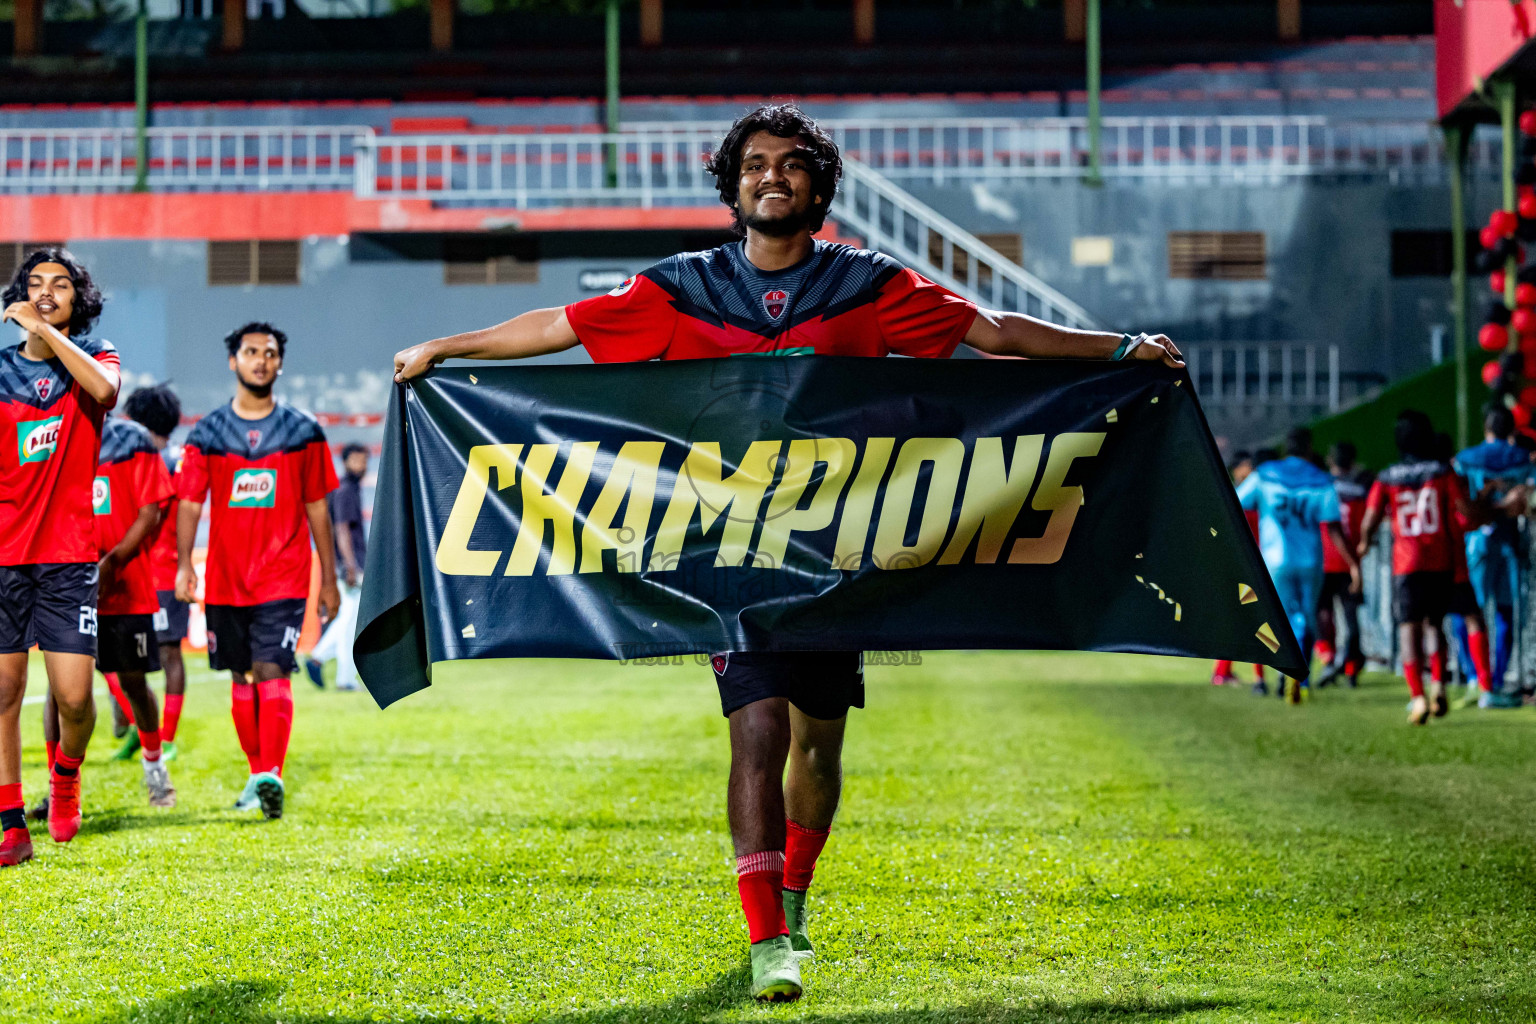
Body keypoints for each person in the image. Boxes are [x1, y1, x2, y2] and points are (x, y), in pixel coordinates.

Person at [391, 104, 1183, 1003]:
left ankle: (795, 896)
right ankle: (770, 938)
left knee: (819, 746)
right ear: (733, 185)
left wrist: (1122, 348)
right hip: (725, 547)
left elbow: (994, 335)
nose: (774, 175)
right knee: (757, 729)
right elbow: (558, 328)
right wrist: (441, 349)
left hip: (839, 550)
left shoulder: (871, 285)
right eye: (756, 163)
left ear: (819, 186)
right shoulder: (682, 287)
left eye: (793, 163)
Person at [174, 322, 340, 821]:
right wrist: (185, 564)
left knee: (272, 670)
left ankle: (273, 775)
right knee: (241, 677)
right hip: (226, 578)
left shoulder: (304, 431)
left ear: (279, 364)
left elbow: (317, 506)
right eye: (251, 352)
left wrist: (328, 578)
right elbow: (188, 503)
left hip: (283, 574)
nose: (261, 360)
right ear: (234, 361)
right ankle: (257, 775)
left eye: (270, 353)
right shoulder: (207, 433)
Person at [0, 248, 121, 866]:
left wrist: (45, 332)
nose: (46, 291)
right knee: (4, 690)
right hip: (4, 557)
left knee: (73, 699)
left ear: (78, 299)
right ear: (18, 293)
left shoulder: (96, 356)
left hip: (68, 558)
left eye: (60, 285)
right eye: (35, 284)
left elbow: (105, 391)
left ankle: (66, 776)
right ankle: (12, 822)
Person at [32, 413, 177, 817]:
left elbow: (151, 513)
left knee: (134, 682)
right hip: (65, 588)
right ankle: (59, 790)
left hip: (126, 589)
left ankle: (155, 768)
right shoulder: (48, 435)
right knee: (59, 690)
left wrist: (111, 564)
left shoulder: (132, 439)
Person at [1357, 411, 1496, 725]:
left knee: (1409, 628)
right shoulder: (1441, 471)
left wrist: (1365, 543)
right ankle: (1439, 686)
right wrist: (1488, 508)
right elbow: (1463, 509)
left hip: (1406, 564)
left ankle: (1417, 696)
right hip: (1441, 560)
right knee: (1436, 625)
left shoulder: (1387, 476)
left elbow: (1370, 519)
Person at [1235, 427, 1361, 703]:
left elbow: (1237, 502)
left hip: (1275, 559)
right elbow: (1333, 527)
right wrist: (1354, 564)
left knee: (1282, 618)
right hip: (1311, 560)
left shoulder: (1265, 474)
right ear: (1308, 448)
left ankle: (1283, 672)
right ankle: (1301, 679)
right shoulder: (1321, 479)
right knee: (1307, 616)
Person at [1451, 407, 1533, 708]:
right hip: (1512, 541)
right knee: (1506, 612)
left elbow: (1459, 499)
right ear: (1511, 431)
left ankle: (1474, 676)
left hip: (1477, 543)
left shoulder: (1466, 458)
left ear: (1486, 427)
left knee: (1469, 611)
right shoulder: (1521, 460)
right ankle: (1496, 681)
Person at [127, 383, 192, 757]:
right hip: (147, 570)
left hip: (162, 572)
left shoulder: (166, 461)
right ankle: (145, 726)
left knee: (168, 653)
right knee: (130, 656)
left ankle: (165, 738)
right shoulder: (169, 458)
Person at [305, 442, 368, 692]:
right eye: (356, 460)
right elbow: (341, 528)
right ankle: (344, 678)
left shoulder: (349, 489)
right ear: (345, 461)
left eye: (363, 460)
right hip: (349, 566)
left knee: (348, 618)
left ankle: (318, 657)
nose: (361, 465)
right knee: (350, 621)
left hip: (350, 563)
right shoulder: (344, 491)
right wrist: (350, 565)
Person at [1314, 440, 1372, 688]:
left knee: (1322, 613)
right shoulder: (1361, 490)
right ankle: (1350, 669)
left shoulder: (1322, 488)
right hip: (1351, 562)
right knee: (1351, 618)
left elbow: (1330, 525)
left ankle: (1328, 657)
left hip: (1325, 559)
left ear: (1330, 461)